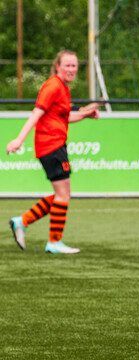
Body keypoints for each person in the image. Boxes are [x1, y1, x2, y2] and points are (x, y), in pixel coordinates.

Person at [6, 50, 99, 254]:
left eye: (74, 65)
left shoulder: (63, 88)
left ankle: (22, 221)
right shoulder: (53, 86)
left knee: (62, 194)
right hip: (51, 146)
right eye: (67, 65)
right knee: (63, 194)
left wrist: (85, 115)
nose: (71, 69)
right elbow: (36, 113)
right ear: (57, 66)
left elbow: (64, 117)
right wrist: (19, 139)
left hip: (55, 145)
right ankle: (53, 242)